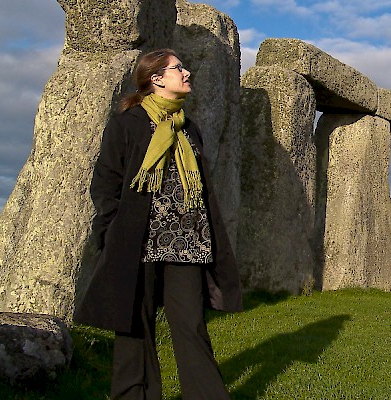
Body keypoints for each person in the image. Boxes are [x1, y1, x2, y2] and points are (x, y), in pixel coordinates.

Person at [74, 48, 242, 400]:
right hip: (138, 241)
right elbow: (106, 181)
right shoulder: (128, 122)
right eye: (178, 68)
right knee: (135, 327)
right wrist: (110, 231)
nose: (187, 73)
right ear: (155, 78)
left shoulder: (189, 127)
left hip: (187, 243)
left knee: (191, 327)